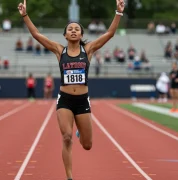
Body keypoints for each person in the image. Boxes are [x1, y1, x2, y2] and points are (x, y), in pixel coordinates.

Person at [18, 0, 125, 179]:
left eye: (77, 29)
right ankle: (69, 177)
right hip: (65, 100)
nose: (74, 30)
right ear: (65, 35)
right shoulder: (60, 51)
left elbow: (110, 33)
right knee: (66, 137)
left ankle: (80, 132)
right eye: (70, 29)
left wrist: (119, 12)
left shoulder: (88, 50)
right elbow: (36, 34)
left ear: (81, 33)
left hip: (82, 101)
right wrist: (24, 15)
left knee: (87, 145)